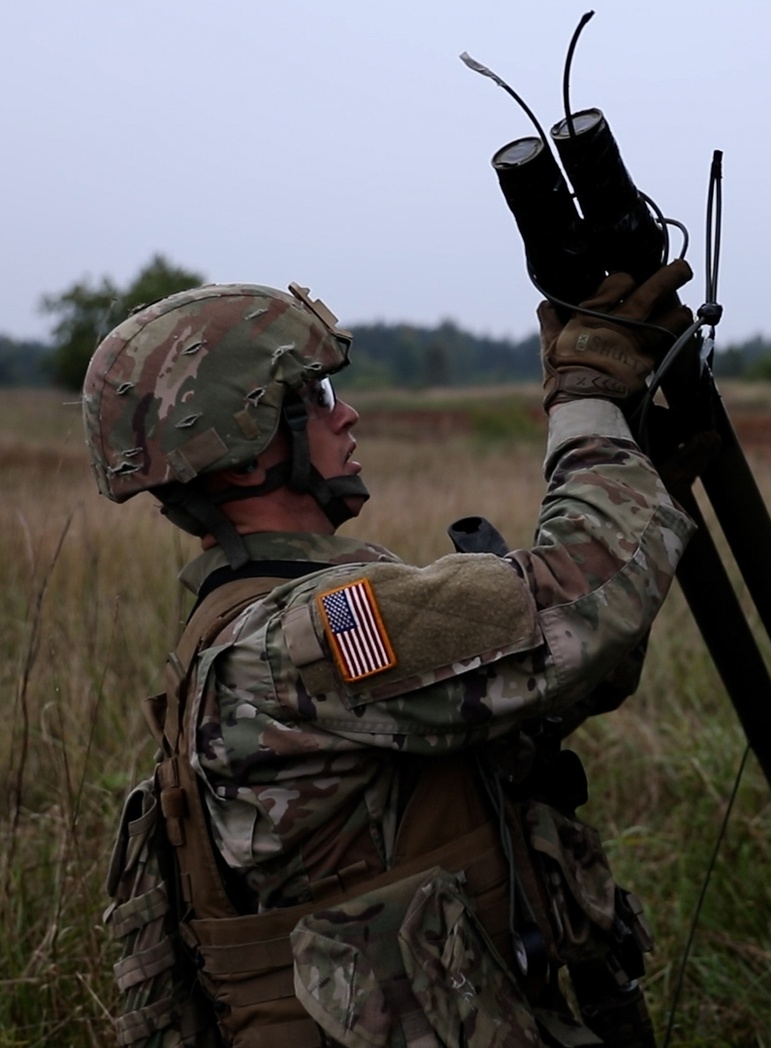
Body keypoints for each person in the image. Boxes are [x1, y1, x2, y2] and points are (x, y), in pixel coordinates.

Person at [88, 264, 696, 1048]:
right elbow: (583, 595)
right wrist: (585, 397)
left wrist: (638, 475)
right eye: (315, 401)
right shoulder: (307, 639)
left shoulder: (250, 624)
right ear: (242, 452)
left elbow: (558, 680)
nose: (349, 419)